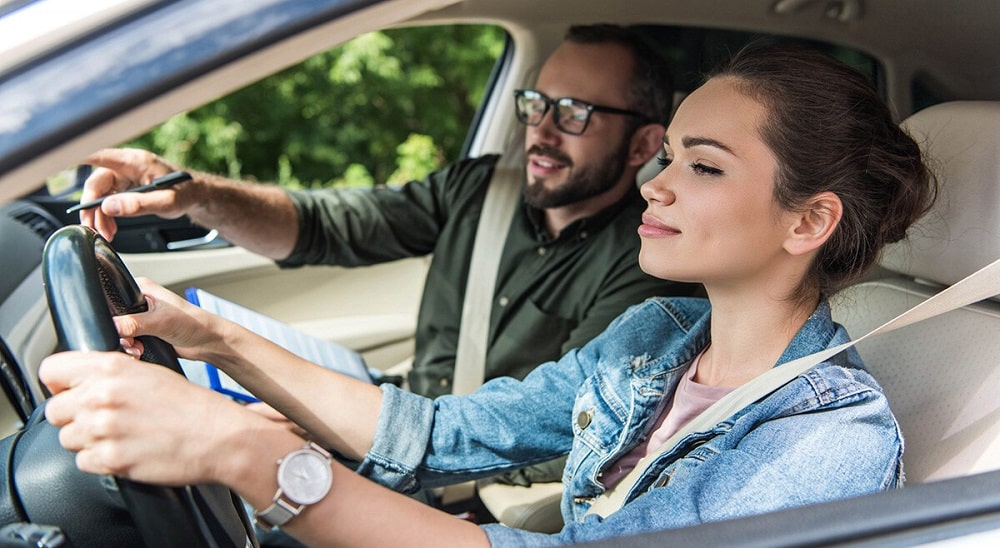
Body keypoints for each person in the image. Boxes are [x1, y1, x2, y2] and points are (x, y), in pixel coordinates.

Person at [40, 43, 935, 546]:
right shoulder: (657, 337)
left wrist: (251, 457)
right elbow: (436, 436)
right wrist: (212, 340)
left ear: (807, 221)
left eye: (701, 166)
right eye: (671, 157)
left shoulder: (822, 447)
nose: (656, 184)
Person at [77, 24, 695, 406]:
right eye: (536, 104)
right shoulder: (480, 189)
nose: (541, 132)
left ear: (643, 145)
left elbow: (559, 424)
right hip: (404, 413)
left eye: (575, 113)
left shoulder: (649, 263)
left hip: (471, 478)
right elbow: (325, 225)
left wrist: (338, 430)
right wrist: (196, 194)